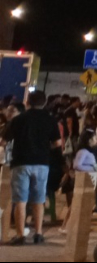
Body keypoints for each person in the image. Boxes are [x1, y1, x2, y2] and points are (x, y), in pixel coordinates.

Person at [3, 90, 61, 246]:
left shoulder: (18, 119)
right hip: (42, 163)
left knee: (20, 200)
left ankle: (20, 235)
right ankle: (38, 233)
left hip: (21, 162)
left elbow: (4, 140)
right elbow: (57, 143)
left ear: (27, 102)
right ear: (44, 103)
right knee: (39, 199)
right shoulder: (50, 120)